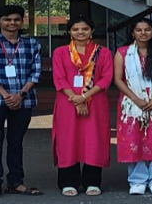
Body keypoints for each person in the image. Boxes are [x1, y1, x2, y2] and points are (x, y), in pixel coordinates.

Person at [0, 5, 44, 199]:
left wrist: (20, 94)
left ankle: (16, 182)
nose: (12, 23)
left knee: (16, 142)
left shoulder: (32, 44)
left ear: (22, 22)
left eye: (16, 19)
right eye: (7, 19)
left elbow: (36, 72)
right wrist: (6, 95)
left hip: (24, 100)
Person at [112, 20, 152, 195]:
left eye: (147, 29)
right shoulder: (123, 52)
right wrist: (136, 99)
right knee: (133, 140)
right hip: (132, 102)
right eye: (139, 30)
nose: (143, 33)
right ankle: (137, 180)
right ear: (132, 33)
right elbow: (118, 79)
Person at [51, 17, 113, 197]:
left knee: (94, 139)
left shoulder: (103, 52)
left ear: (91, 31)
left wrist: (84, 97)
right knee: (68, 139)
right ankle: (68, 182)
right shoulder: (60, 52)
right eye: (76, 29)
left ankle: (92, 181)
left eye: (85, 29)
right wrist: (76, 99)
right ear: (69, 32)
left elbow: (106, 78)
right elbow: (59, 78)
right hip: (67, 102)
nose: (80, 32)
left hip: (95, 102)